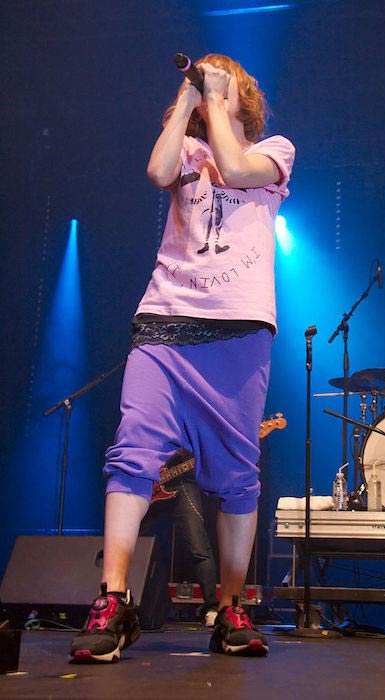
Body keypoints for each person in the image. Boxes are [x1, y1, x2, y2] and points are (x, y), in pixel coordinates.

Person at [69, 52, 294, 662]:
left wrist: (216, 101)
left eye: (221, 79)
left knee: (236, 474)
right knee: (133, 450)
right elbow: (156, 168)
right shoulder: (191, 151)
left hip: (238, 330)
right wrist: (189, 103)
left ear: (242, 91)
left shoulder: (276, 149)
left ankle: (230, 606)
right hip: (164, 319)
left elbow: (237, 168)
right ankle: (112, 600)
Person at [139, 448, 219, 627]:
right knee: (130, 539)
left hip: (183, 480)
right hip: (151, 477)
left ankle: (211, 608)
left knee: (198, 545)